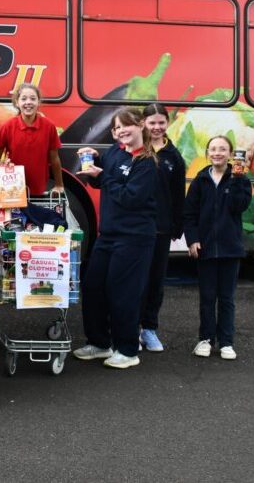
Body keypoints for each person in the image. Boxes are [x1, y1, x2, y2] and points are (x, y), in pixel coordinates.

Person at [73, 108, 158, 369]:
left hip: (134, 237)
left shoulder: (147, 163)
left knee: (123, 293)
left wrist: (105, 177)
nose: (121, 131)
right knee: (93, 286)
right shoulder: (115, 152)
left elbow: (130, 198)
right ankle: (100, 343)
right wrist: (93, 166)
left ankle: (128, 349)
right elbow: (102, 184)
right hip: (108, 234)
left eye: (126, 126)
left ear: (140, 125)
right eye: (117, 128)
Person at [183, 135, 252, 360]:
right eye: (213, 149)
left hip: (231, 249)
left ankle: (226, 342)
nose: (217, 153)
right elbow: (190, 213)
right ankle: (205, 339)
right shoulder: (201, 180)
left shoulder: (239, 178)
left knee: (226, 298)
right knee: (207, 297)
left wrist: (239, 180)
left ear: (230, 154)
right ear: (207, 153)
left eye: (222, 149)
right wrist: (192, 240)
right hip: (205, 249)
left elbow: (239, 206)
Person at [138, 103, 186, 352]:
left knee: (155, 280)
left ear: (167, 124)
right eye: (152, 123)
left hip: (161, 229)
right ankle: (130, 327)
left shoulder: (174, 156)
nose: (156, 128)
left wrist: (177, 226)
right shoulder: (136, 150)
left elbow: (178, 196)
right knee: (135, 279)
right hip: (136, 228)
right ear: (143, 123)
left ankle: (149, 328)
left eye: (161, 123)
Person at [0, 82, 64, 196]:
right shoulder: (8, 126)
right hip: (13, 188)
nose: (28, 102)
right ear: (17, 102)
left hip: (39, 188)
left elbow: (54, 159)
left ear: (38, 101)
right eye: (24, 99)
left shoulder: (49, 126)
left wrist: (59, 185)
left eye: (32, 98)